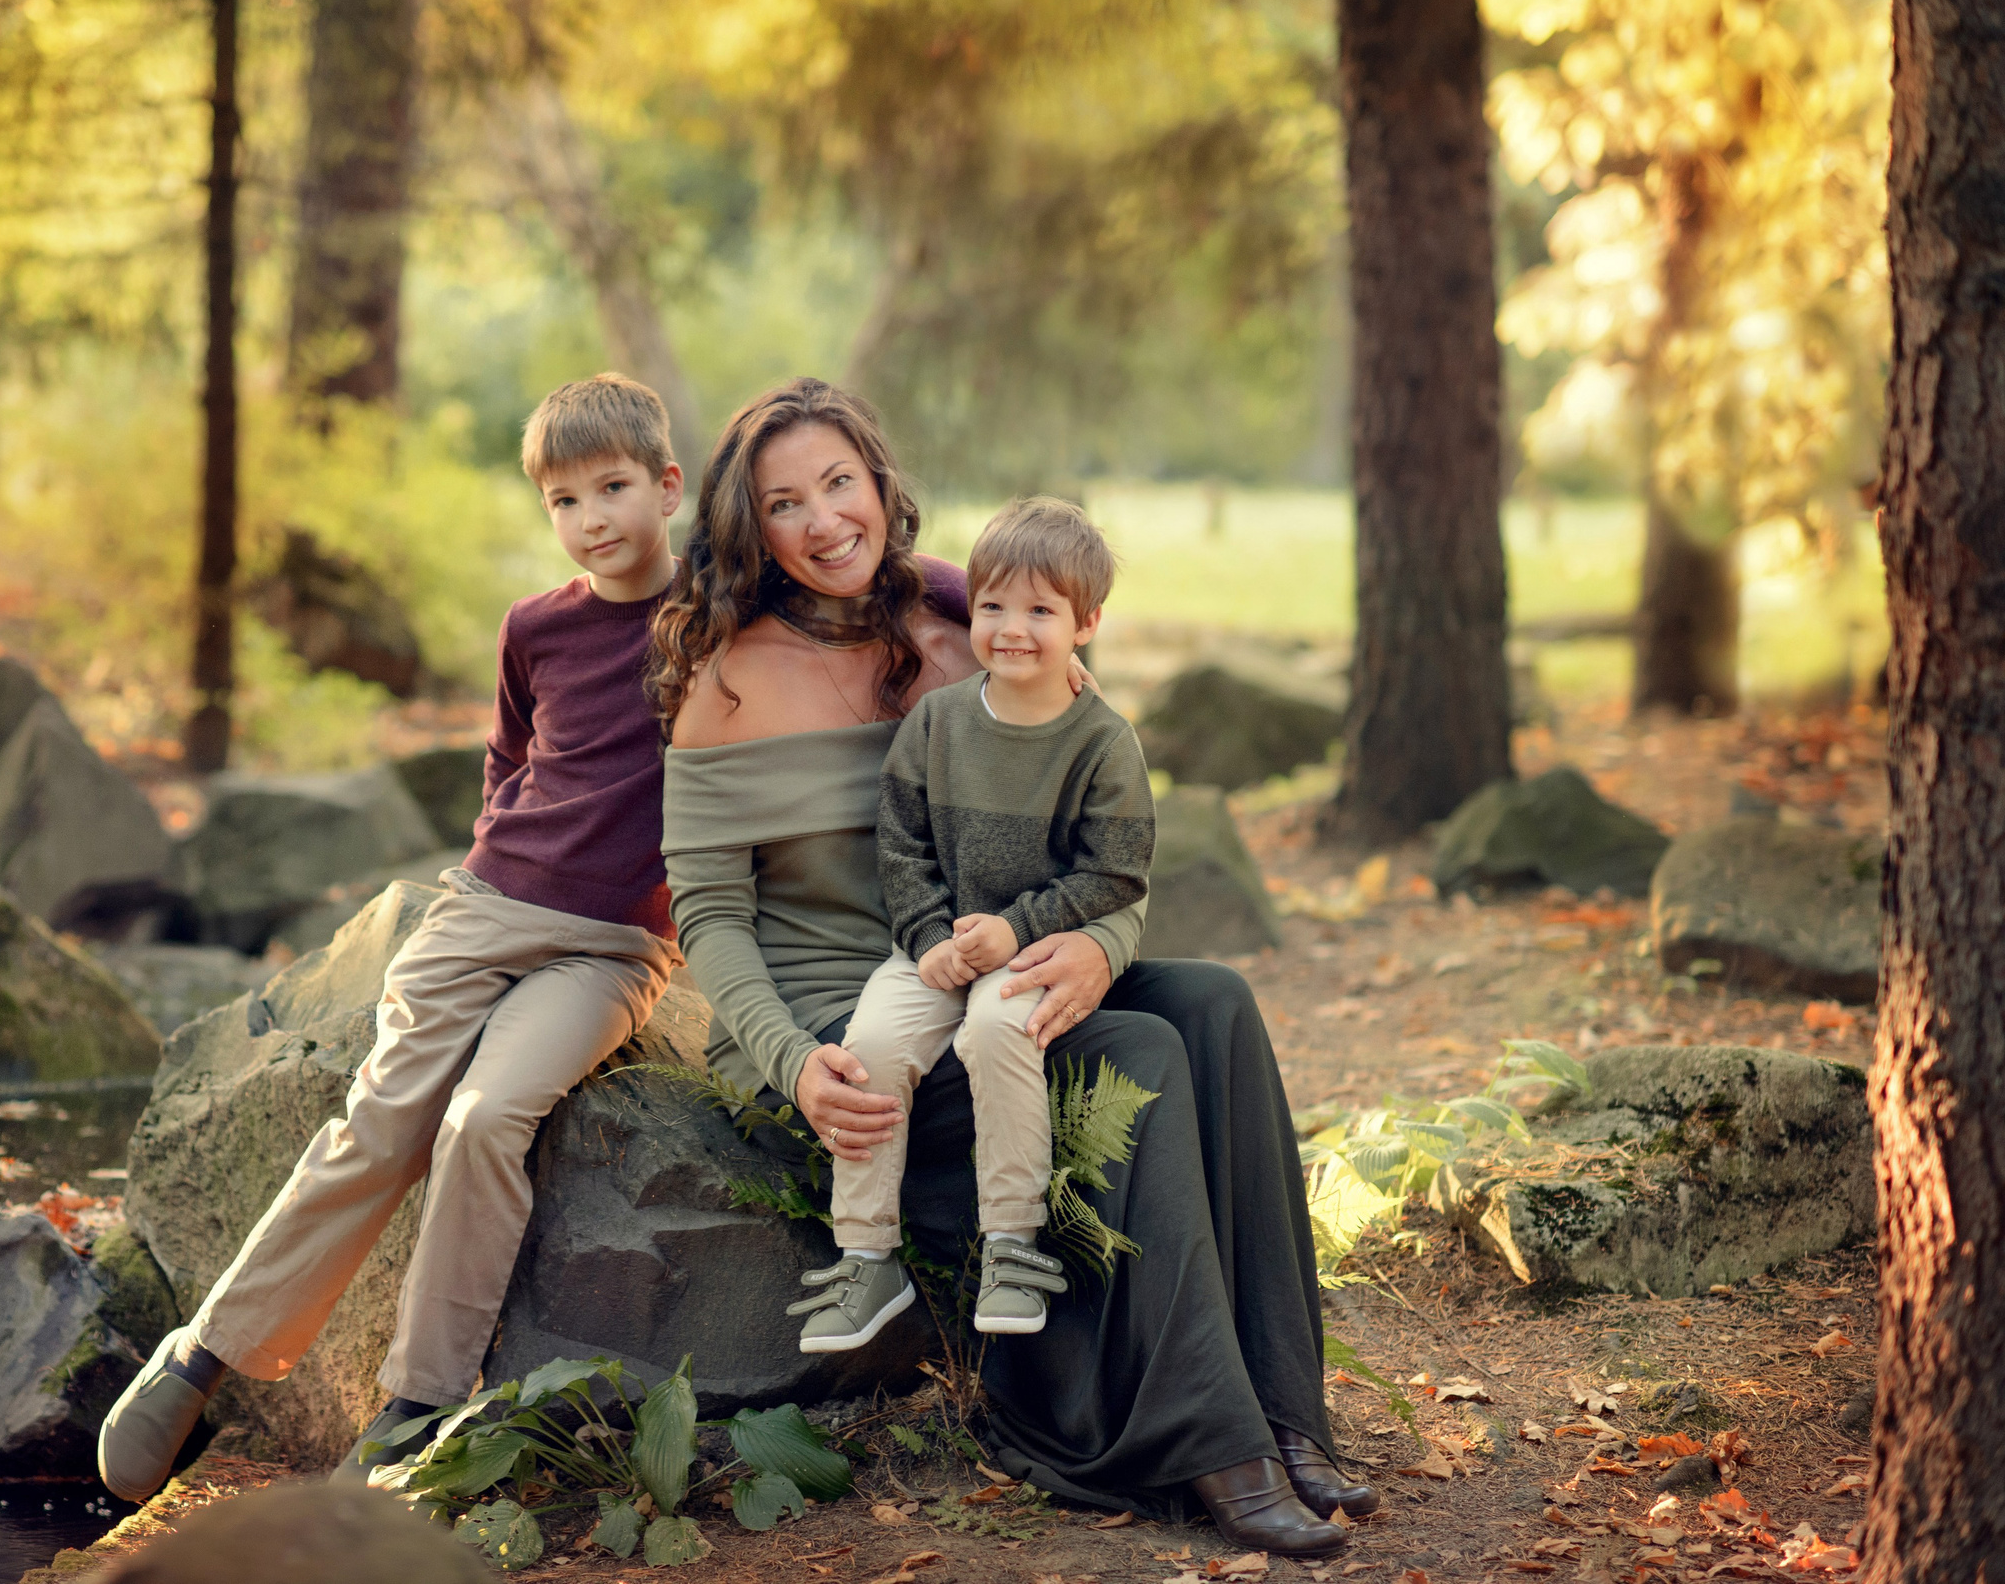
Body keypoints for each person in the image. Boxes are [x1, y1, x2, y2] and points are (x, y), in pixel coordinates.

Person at [650, 376, 1372, 1558]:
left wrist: (1098, 942)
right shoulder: (724, 682)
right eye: (784, 502)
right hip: (851, 1025)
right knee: (1139, 1049)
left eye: (839, 482)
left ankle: (1285, 1414)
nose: (824, 519)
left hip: (990, 963)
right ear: (750, 525)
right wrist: (792, 1062)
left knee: (1217, 1004)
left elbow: (1103, 832)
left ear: (880, 482)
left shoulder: (959, 626)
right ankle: (1207, 1441)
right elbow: (710, 913)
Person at [97, 373, 689, 1503]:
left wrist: (993, 595)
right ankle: (207, 1349)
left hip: (611, 948)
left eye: (613, 488)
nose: (591, 518)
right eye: (564, 500)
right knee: (383, 1121)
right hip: (483, 910)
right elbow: (508, 761)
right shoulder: (535, 627)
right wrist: (499, 860)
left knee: (486, 1117)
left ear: (668, 485)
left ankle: (420, 1397)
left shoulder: (710, 615)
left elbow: (875, 584)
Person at [796, 497, 1151, 1351]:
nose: (1012, 628)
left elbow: (1115, 870)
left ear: (1086, 624)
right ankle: (867, 1254)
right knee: (872, 1046)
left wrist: (1016, 932)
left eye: (1041, 611)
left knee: (998, 1030)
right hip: (933, 949)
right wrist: (927, 939)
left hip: (1028, 954)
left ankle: (1012, 1244)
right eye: (992, 605)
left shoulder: (1103, 742)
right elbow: (900, 843)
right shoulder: (938, 720)